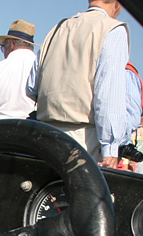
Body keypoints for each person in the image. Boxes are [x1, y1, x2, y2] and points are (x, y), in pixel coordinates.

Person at [28, 0, 131, 167]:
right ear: (117, 3)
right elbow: (108, 95)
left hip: (44, 133)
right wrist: (110, 148)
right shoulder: (113, 29)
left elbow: (32, 86)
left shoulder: (58, 28)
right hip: (84, 138)